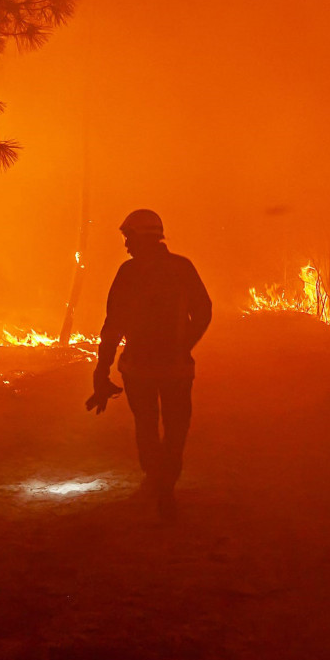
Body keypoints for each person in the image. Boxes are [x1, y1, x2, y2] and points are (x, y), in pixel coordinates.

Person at [87, 209, 212, 520]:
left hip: (138, 369)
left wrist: (102, 370)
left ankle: (157, 480)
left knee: (146, 426)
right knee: (176, 427)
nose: (126, 245)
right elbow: (204, 311)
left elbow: (113, 325)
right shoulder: (182, 268)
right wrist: (184, 345)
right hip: (177, 368)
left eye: (128, 238)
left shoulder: (129, 273)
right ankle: (166, 483)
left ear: (140, 238)